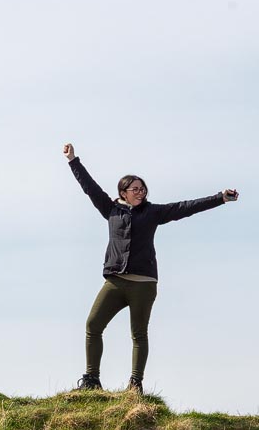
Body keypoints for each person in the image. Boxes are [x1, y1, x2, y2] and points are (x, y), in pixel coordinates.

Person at [62, 142, 238, 394]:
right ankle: (92, 379)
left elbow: (185, 207)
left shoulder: (153, 212)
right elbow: (89, 187)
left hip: (143, 284)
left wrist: (220, 198)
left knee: (138, 334)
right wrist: (73, 160)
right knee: (93, 325)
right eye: (135, 189)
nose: (140, 192)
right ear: (123, 192)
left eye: (143, 188)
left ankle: (135, 384)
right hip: (115, 282)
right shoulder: (110, 210)